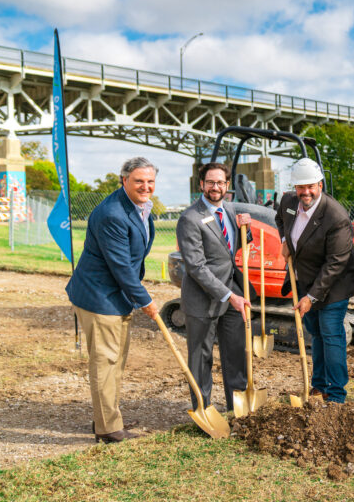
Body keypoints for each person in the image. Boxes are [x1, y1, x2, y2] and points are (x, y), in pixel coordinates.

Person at [66, 157, 159, 443]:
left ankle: (108, 416)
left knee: (116, 360)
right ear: (124, 181)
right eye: (139, 181)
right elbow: (120, 266)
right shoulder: (112, 214)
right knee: (106, 361)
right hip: (99, 296)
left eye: (150, 181)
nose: (146, 186)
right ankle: (107, 429)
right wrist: (145, 301)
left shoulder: (141, 208)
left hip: (117, 295)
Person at [275, 158, 354, 403]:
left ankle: (336, 394)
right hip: (304, 279)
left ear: (320, 185)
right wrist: (285, 241)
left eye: (311, 186)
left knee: (331, 333)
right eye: (301, 187)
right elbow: (280, 220)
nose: (306, 192)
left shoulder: (336, 216)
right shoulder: (289, 202)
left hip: (334, 284)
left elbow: (336, 263)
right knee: (316, 333)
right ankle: (319, 385)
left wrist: (311, 298)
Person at [176, 162, 253, 413]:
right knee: (201, 359)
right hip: (203, 299)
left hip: (232, 292)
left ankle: (236, 410)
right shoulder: (190, 218)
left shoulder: (230, 210)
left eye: (220, 182)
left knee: (235, 354)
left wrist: (247, 229)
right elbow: (196, 267)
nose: (215, 187)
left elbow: (233, 249)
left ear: (227, 185)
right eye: (210, 182)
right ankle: (203, 411)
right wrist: (229, 295)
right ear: (201, 185)